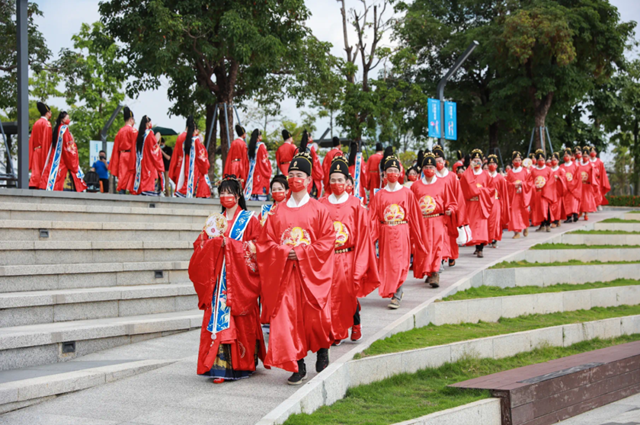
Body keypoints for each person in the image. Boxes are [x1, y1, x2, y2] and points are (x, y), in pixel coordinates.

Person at [256, 151, 334, 385]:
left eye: (300, 175)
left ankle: (322, 347)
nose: (294, 179)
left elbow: (328, 240)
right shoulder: (277, 210)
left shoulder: (319, 209)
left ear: (309, 180)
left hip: (311, 273)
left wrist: (300, 252)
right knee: (287, 318)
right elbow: (265, 242)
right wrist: (282, 252)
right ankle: (297, 363)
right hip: (285, 274)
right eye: (291, 174)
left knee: (315, 317)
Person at [188, 177, 266, 384]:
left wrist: (230, 245)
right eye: (222, 192)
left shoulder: (250, 219)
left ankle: (242, 364)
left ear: (238, 195)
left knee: (240, 320)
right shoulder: (215, 221)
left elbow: (259, 247)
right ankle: (218, 366)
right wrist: (210, 244)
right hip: (218, 281)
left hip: (239, 280)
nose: (225, 196)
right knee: (219, 322)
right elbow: (200, 244)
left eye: (229, 192)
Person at [319, 156, 379, 345]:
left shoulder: (356, 205)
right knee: (329, 296)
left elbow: (363, 236)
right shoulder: (321, 204)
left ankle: (355, 324)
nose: (337, 183)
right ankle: (335, 331)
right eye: (333, 179)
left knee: (348, 294)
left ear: (347, 182)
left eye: (340, 179)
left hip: (348, 257)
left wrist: (360, 264)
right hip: (327, 259)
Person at [368, 154, 425, 308]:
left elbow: (414, 216)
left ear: (400, 173)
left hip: (401, 231)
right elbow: (372, 217)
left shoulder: (407, 194)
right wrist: (370, 238)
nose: (392, 173)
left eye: (395, 170)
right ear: (384, 173)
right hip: (386, 233)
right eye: (389, 170)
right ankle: (393, 291)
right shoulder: (379, 195)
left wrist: (418, 237)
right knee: (389, 263)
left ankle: (397, 293)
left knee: (400, 263)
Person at [411, 152, 456, 287]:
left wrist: (450, 209)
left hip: (437, 220)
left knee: (436, 247)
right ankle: (429, 271)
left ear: (436, 168)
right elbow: (411, 204)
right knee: (424, 248)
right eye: (426, 166)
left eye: (431, 166)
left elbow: (452, 202)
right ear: (422, 169)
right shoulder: (416, 186)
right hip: (422, 221)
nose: (429, 169)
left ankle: (435, 272)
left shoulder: (443, 184)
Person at [434, 145, 466, 267]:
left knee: (451, 235)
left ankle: (451, 255)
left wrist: (456, 210)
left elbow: (458, 196)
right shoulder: (433, 177)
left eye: (440, 161)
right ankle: (441, 258)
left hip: (450, 211)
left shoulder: (452, 176)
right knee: (440, 236)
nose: (438, 163)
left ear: (444, 161)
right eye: (436, 162)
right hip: (438, 212)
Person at [39, 112, 87, 192]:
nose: (69, 120)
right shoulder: (64, 129)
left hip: (57, 155)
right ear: (62, 119)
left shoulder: (58, 129)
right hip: (63, 157)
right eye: (67, 118)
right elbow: (68, 147)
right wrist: (73, 159)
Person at [460, 149, 495, 258]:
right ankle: (476, 246)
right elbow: (462, 187)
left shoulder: (486, 175)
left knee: (481, 226)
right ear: (471, 161)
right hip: (470, 204)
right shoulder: (467, 174)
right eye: (474, 160)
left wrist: (481, 191)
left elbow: (491, 189)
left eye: (478, 160)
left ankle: (480, 248)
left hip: (481, 204)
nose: (476, 162)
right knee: (473, 227)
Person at [169, 116, 211, 198]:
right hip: (193, 165)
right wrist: (201, 144)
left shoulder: (181, 137)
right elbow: (201, 156)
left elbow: (176, 154)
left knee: (182, 183)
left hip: (182, 164)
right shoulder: (195, 140)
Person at [130, 115, 165, 196]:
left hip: (142, 163)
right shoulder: (150, 134)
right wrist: (157, 146)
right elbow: (154, 150)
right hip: (150, 162)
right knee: (151, 187)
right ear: (147, 123)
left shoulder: (140, 135)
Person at [110, 107, 137, 194]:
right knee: (131, 176)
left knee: (122, 176)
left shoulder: (120, 131)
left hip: (122, 156)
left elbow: (116, 148)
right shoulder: (133, 131)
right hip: (131, 155)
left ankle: (121, 193)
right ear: (131, 119)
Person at [506, 151, 532, 239]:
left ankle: (525, 226)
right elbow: (507, 184)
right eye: (515, 160)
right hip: (513, 196)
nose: (517, 161)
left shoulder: (525, 171)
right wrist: (513, 185)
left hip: (523, 195)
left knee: (524, 212)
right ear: (512, 161)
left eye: (519, 160)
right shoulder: (510, 172)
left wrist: (522, 184)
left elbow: (529, 183)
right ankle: (516, 232)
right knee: (514, 214)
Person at [487, 154, 511, 247]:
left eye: (494, 163)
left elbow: (504, 192)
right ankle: (488, 238)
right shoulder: (485, 176)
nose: (492, 164)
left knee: (495, 221)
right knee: (487, 221)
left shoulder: (500, 178)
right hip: (486, 202)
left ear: (496, 165)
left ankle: (494, 239)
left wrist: (503, 203)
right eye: (490, 163)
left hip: (496, 201)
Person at [529, 150, 555, 233]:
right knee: (538, 209)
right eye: (539, 160)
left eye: (543, 160)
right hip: (537, 193)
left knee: (546, 209)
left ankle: (547, 224)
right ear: (536, 161)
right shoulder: (533, 171)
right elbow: (530, 181)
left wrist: (546, 189)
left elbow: (551, 181)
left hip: (545, 193)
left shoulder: (548, 170)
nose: (541, 161)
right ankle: (542, 224)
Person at [28, 101, 52, 189]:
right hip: (43, 150)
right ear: (47, 112)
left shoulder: (36, 123)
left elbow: (31, 140)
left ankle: (33, 184)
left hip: (35, 151)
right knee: (42, 170)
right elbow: (47, 140)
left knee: (35, 171)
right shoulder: (47, 124)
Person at [295, 131, 324, 198]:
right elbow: (315, 163)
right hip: (311, 173)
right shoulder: (311, 147)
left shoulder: (299, 149)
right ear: (309, 138)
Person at [244, 129, 272, 201]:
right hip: (261, 172)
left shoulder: (251, 147)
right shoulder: (261, 146)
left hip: (253, 172)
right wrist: (269, 170)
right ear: (259, 136)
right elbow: (264, 161)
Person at [223, 125, 249, 189]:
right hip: (240, 165)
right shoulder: (243, 144)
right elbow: (244, 157)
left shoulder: (233, 143)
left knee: (232, 180)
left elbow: (229, 156)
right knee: (240, 181)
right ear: (243, 134)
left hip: (233, 164)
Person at [561, 148, 582, 223]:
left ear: (571, 156)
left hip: (573, 187)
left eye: (567, 155)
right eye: (565, 155)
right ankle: (569, 216)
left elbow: (578, 178)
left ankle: (575, 213)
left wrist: (571, 185)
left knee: (573, 201)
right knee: (566, 202)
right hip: (565, 188)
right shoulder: (561, 167)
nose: (566, 156)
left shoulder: (575, 166)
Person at [577, 146, 597, 220]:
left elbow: (595, 174)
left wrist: (593, 169)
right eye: (584, 156)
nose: (585, 157)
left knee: (586, 200)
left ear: (588, 157)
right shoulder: (578, 164)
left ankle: (586, 213)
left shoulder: (591, 165)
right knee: (580, 199)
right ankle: (580, 211)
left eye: (586, 156)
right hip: (580, 185)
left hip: (587, 185)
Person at [549, 152, 567, 227]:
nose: (553, 161)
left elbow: (564, 179)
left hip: (558, 191)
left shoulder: (561, 170)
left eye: (555, 160)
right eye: (552, 160)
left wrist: (558, 178)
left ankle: (555, 221)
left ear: (558, 161)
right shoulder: (549, 169)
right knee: (551, 206)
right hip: (550, 191)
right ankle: (555, 219)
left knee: (557, 206)